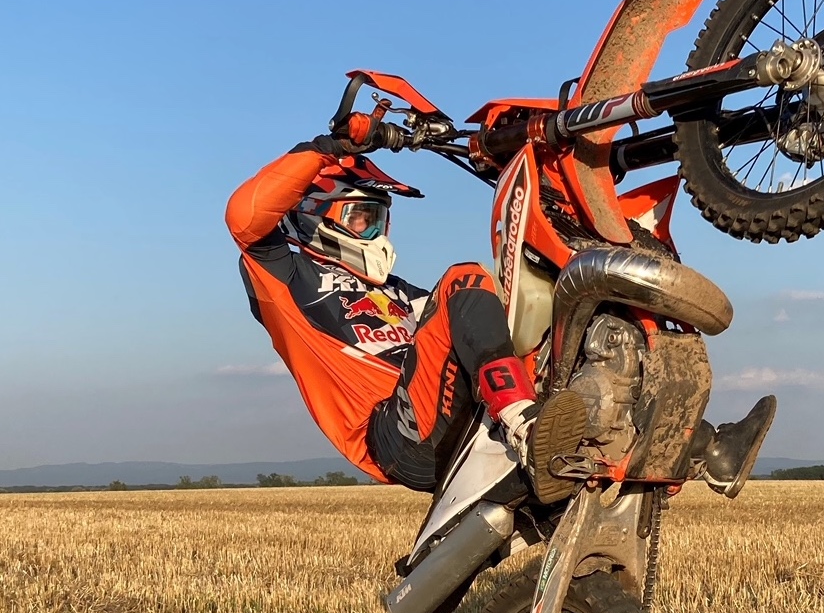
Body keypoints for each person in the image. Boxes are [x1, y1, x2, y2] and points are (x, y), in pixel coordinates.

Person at [225, 114, 775, 502]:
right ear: (315, 218)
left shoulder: (391, 291)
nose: (375, 232)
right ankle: (526, 426)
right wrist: (328, 148)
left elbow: (474, 326)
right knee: (466, 279)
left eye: (380, 220)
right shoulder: (285, 275)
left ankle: (707, 449)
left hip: (454, 412)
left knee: (557, 320)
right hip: (396, 433)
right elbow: (243, 218)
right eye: (361, 218)